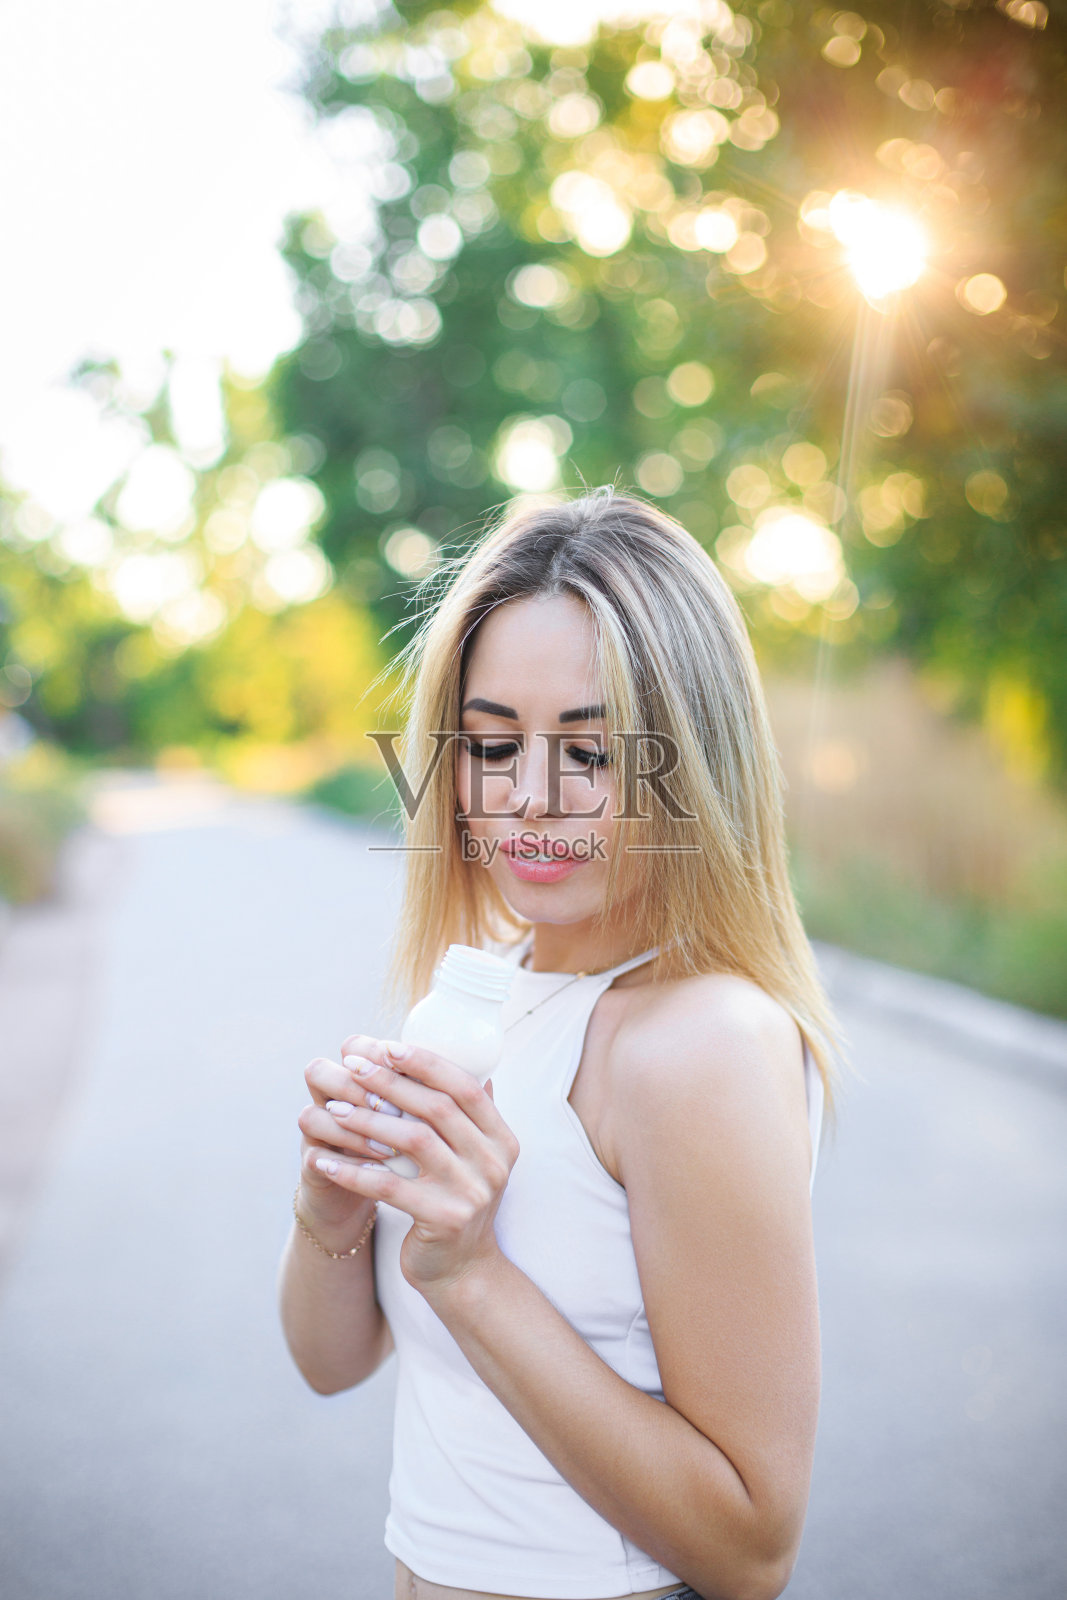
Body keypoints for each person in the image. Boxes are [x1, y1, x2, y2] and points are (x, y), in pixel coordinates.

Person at [277, 488, 847, 1600]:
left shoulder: (703, 1044)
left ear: (690, 763)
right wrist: (329, 1208)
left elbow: (750, 1548)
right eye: (492, 744)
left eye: (589, 751)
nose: (528, 799)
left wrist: (473, 1271)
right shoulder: (495, 988)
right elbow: (329, 1361)